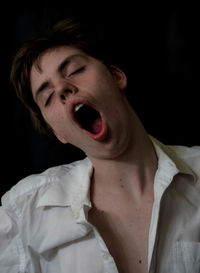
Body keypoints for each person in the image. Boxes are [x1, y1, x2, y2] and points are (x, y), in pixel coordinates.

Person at [0, 17, 200, 273]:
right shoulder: (22, 214)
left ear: (116, 76)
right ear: (57, 132)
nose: (62, 88)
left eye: (74, 71)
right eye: (48, 97)